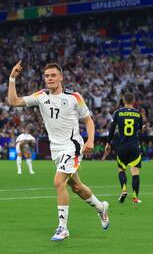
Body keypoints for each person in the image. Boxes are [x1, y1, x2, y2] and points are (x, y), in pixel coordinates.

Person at [8, 61, 109, 242]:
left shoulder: (74, 97)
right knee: (76, 187)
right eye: (47, 76)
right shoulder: (40, 96)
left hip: (73, 146)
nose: (50, 79)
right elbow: (13, 101)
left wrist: (91, 140)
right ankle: (101, 207)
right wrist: (12, 78)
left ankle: (62, 228)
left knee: (58, 181)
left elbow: (89, 121)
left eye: (53, 75)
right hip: (57, 149)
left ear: (61, 77)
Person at [102, 93, 143, 206]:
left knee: (121, 169)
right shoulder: (138, 114)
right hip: (134, 146)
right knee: (135, 172)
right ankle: (135, 197)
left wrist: (108, 143)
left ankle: (124, 189)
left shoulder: (117, 113)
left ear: (123, 100)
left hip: (122, 146)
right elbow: (140, 130)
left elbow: (111, 129)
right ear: (133, 101)